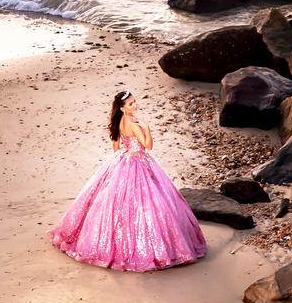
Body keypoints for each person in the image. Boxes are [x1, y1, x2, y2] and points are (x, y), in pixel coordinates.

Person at [48, 90, 207, 271]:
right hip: (138, 162)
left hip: (121, 161)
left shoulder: (118, 122)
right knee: (148, 204)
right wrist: (146, 128)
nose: (135, 105)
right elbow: (147, 146)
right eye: (131, 104)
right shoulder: (133, 124)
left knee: (112, 202)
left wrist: (127, 151)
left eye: (134, 102)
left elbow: (116, 148)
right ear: (123, 108)